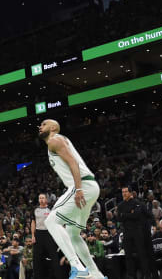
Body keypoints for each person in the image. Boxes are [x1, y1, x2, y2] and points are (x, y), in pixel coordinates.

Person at [38, 119, 106, 279]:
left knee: (50, 221)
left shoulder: (55, 140)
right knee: (73, 233)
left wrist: (79, 189)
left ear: (53, 127)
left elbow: (73, 163)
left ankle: (77, 266)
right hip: (89, 186)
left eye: (44, 124)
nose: (40, 127)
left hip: (82, 185)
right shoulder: (60, 140)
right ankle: (96, 274)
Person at [117, 186, 154, 278]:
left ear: (130, 193)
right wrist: (130, 213)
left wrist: (124, 214)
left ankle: (146, 275)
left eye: (126, 192)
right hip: (126, 232)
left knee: (142, 254)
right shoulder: (120, 205)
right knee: (128, 255)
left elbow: (136, 215)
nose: (124, 194)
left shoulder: (137, 203)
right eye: (123, 192)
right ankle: (131, 276)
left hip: (137, 231)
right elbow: (119, 218)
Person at [31, 193, 65, 279]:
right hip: (38, 233)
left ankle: (58, 276)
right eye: (39, 198)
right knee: (37, 257)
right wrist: (32, 235)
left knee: (53, 256)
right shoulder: (35, 209)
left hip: (49, 233)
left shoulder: (51, 209)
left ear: (46, 199)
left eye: (43, 198)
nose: (41, 199)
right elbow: (33, 222)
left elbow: (57, 220)